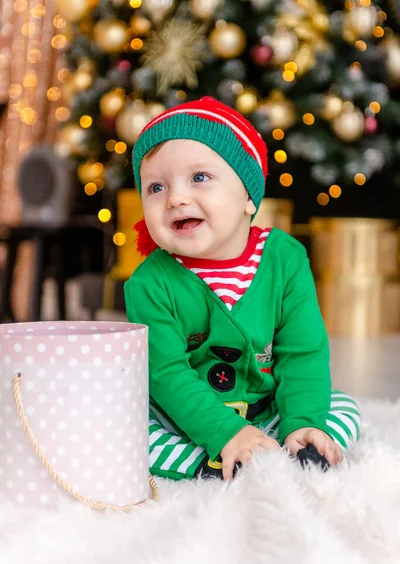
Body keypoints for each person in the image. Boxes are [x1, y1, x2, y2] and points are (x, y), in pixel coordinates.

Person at [124, 97, 361, 481]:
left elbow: (302, 352)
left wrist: (301, 419)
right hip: (185, 415)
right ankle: (210, 464)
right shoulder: (149, 283)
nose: (176, 198)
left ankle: (299, 442)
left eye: (199, 177)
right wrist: (226, 432)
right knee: (132, 429)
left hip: (268, 407)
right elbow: (167, 375)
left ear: (249, 197)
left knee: (342, 407)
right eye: (155, 187)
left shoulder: (285, 259)